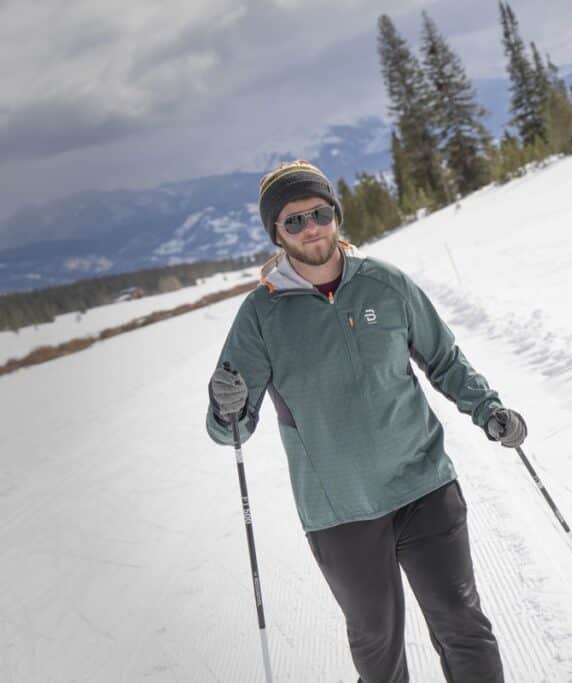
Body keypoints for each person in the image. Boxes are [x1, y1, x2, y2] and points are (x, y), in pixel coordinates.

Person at [205, 160, 526, 683]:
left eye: (319, 213)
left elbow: (444, 360)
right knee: (378, 650)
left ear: (335, 215)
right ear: (277, 234)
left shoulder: (385, 284)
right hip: (340, 511)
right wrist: (226, 406)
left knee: (462, 625)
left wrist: (488, 410)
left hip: (424, 483)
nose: (311, 228)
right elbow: (232, 428)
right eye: (294, 221)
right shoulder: (260, 316)